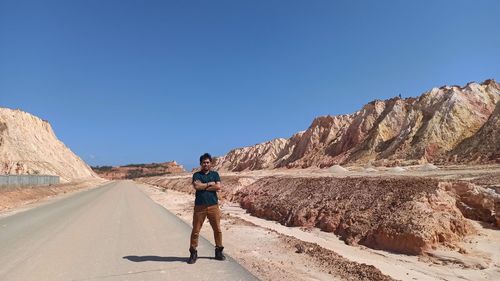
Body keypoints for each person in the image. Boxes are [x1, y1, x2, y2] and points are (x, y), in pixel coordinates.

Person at [187, 153, 225, 264]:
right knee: (195, 231)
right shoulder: (196, 175)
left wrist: (203, 186)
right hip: (199, 207)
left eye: (208, 162)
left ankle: (218, 251)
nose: (206, 164)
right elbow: (196, 186)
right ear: (200, 164)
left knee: (217, 230)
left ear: (211, 163)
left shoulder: (215, 174)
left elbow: (218, 187)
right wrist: (209, 184)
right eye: (204, 162)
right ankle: (193, 252)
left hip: (213, 206)